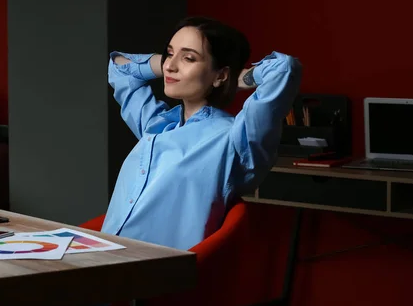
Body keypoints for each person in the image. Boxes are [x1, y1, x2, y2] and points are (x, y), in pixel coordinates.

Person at [101, 16, 302, 251]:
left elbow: (284, 68)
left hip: (157, 272)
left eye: (188, 58)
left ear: (221, 74)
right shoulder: (156, 124)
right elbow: (121, 68)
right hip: (104, 255)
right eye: (169, 53)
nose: (170, 66)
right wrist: (169, 61)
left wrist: (239, 78)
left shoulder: (235, 139)